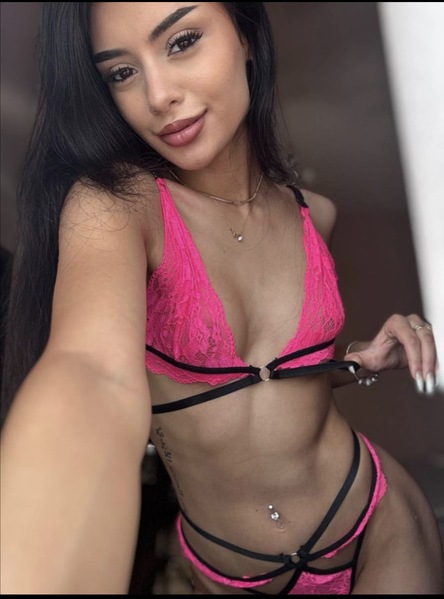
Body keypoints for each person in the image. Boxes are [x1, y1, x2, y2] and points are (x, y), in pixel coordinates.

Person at [1, 2, 443, 594]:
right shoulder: (118, 206)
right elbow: (93, 371)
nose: (158, 95)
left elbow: (268, 388)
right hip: (226, 573)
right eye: (122, 72)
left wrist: (359, 362)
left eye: (182, 41)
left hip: (377, 523)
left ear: (246, 37)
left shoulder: (315, 214)